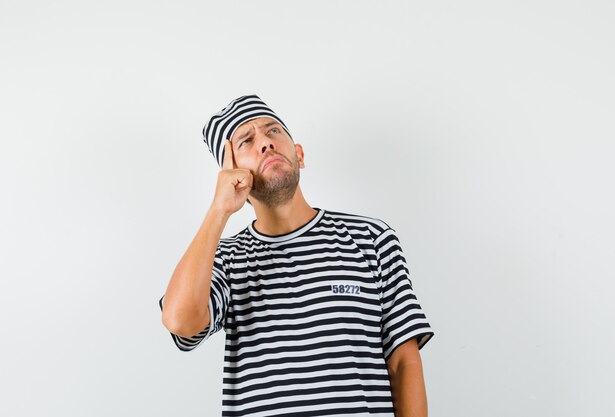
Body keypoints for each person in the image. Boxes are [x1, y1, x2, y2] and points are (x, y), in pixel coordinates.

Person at [158, 94, 435, 417]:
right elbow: (180, 321)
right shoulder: (226, 259)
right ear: (231, 173)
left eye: (273, 131)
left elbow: (404, 361)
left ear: (299, 154)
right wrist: (219, 210)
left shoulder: (371, 239)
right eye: (246, 141)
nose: (265, 143)